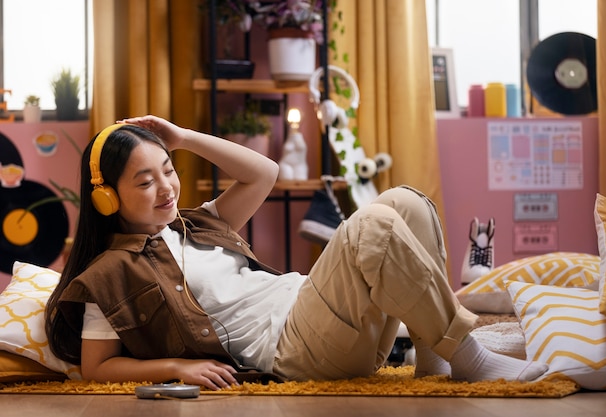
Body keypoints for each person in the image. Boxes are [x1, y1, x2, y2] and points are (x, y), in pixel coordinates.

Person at [45, 115, 548, 390]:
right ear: (106, 197)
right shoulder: (110, 272)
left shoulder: (195, 222)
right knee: (373, 224)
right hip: (294, 350)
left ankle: (436, 359)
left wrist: (182, 138)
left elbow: (263, 171)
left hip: (321, 316)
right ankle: (468, 356)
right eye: (144, 180)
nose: (166, 187)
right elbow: (97, 367)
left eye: (168, 169)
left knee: (405, 202)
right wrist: (176, 367)